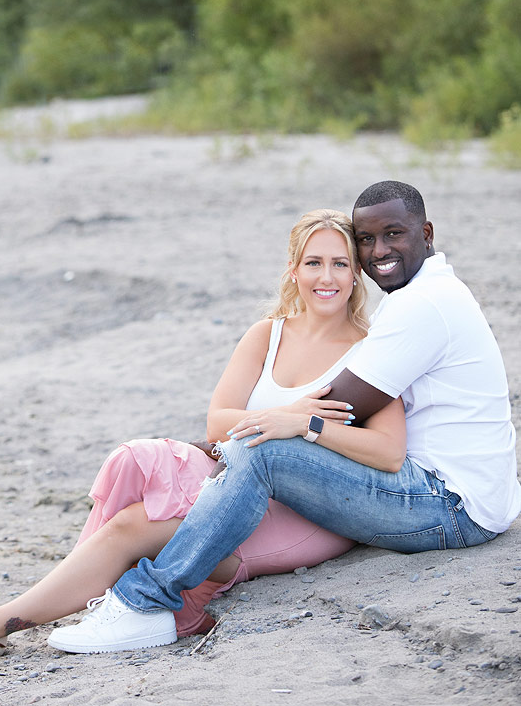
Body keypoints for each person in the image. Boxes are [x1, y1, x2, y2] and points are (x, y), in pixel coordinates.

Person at [0, 208, 405, 661]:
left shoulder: (371, 350)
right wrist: (281, 416)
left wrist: (305, 424)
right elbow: (217, 421)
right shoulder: (268, 333)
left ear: (356, 273)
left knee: (131, 527)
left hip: (306, 508)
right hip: (238, 474)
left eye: (340, 264)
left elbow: (388, 453)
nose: (327, 277)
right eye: (313, 262)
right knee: (132, 459)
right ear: (294, 270)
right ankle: (98, 597)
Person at [48, 179, 521, 654]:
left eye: (394, 234)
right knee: (241, 449)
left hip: (452, 505)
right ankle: (101, 593)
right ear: (296, 270)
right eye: (367, 239)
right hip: (464, 493)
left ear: (427, 233)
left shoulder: (423, 303)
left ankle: (144, 603)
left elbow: (339, 409)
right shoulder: (420, 294)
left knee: (267, 453)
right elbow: (322, 412)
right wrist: (270, 427)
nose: (380, 251)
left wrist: (267, 431)